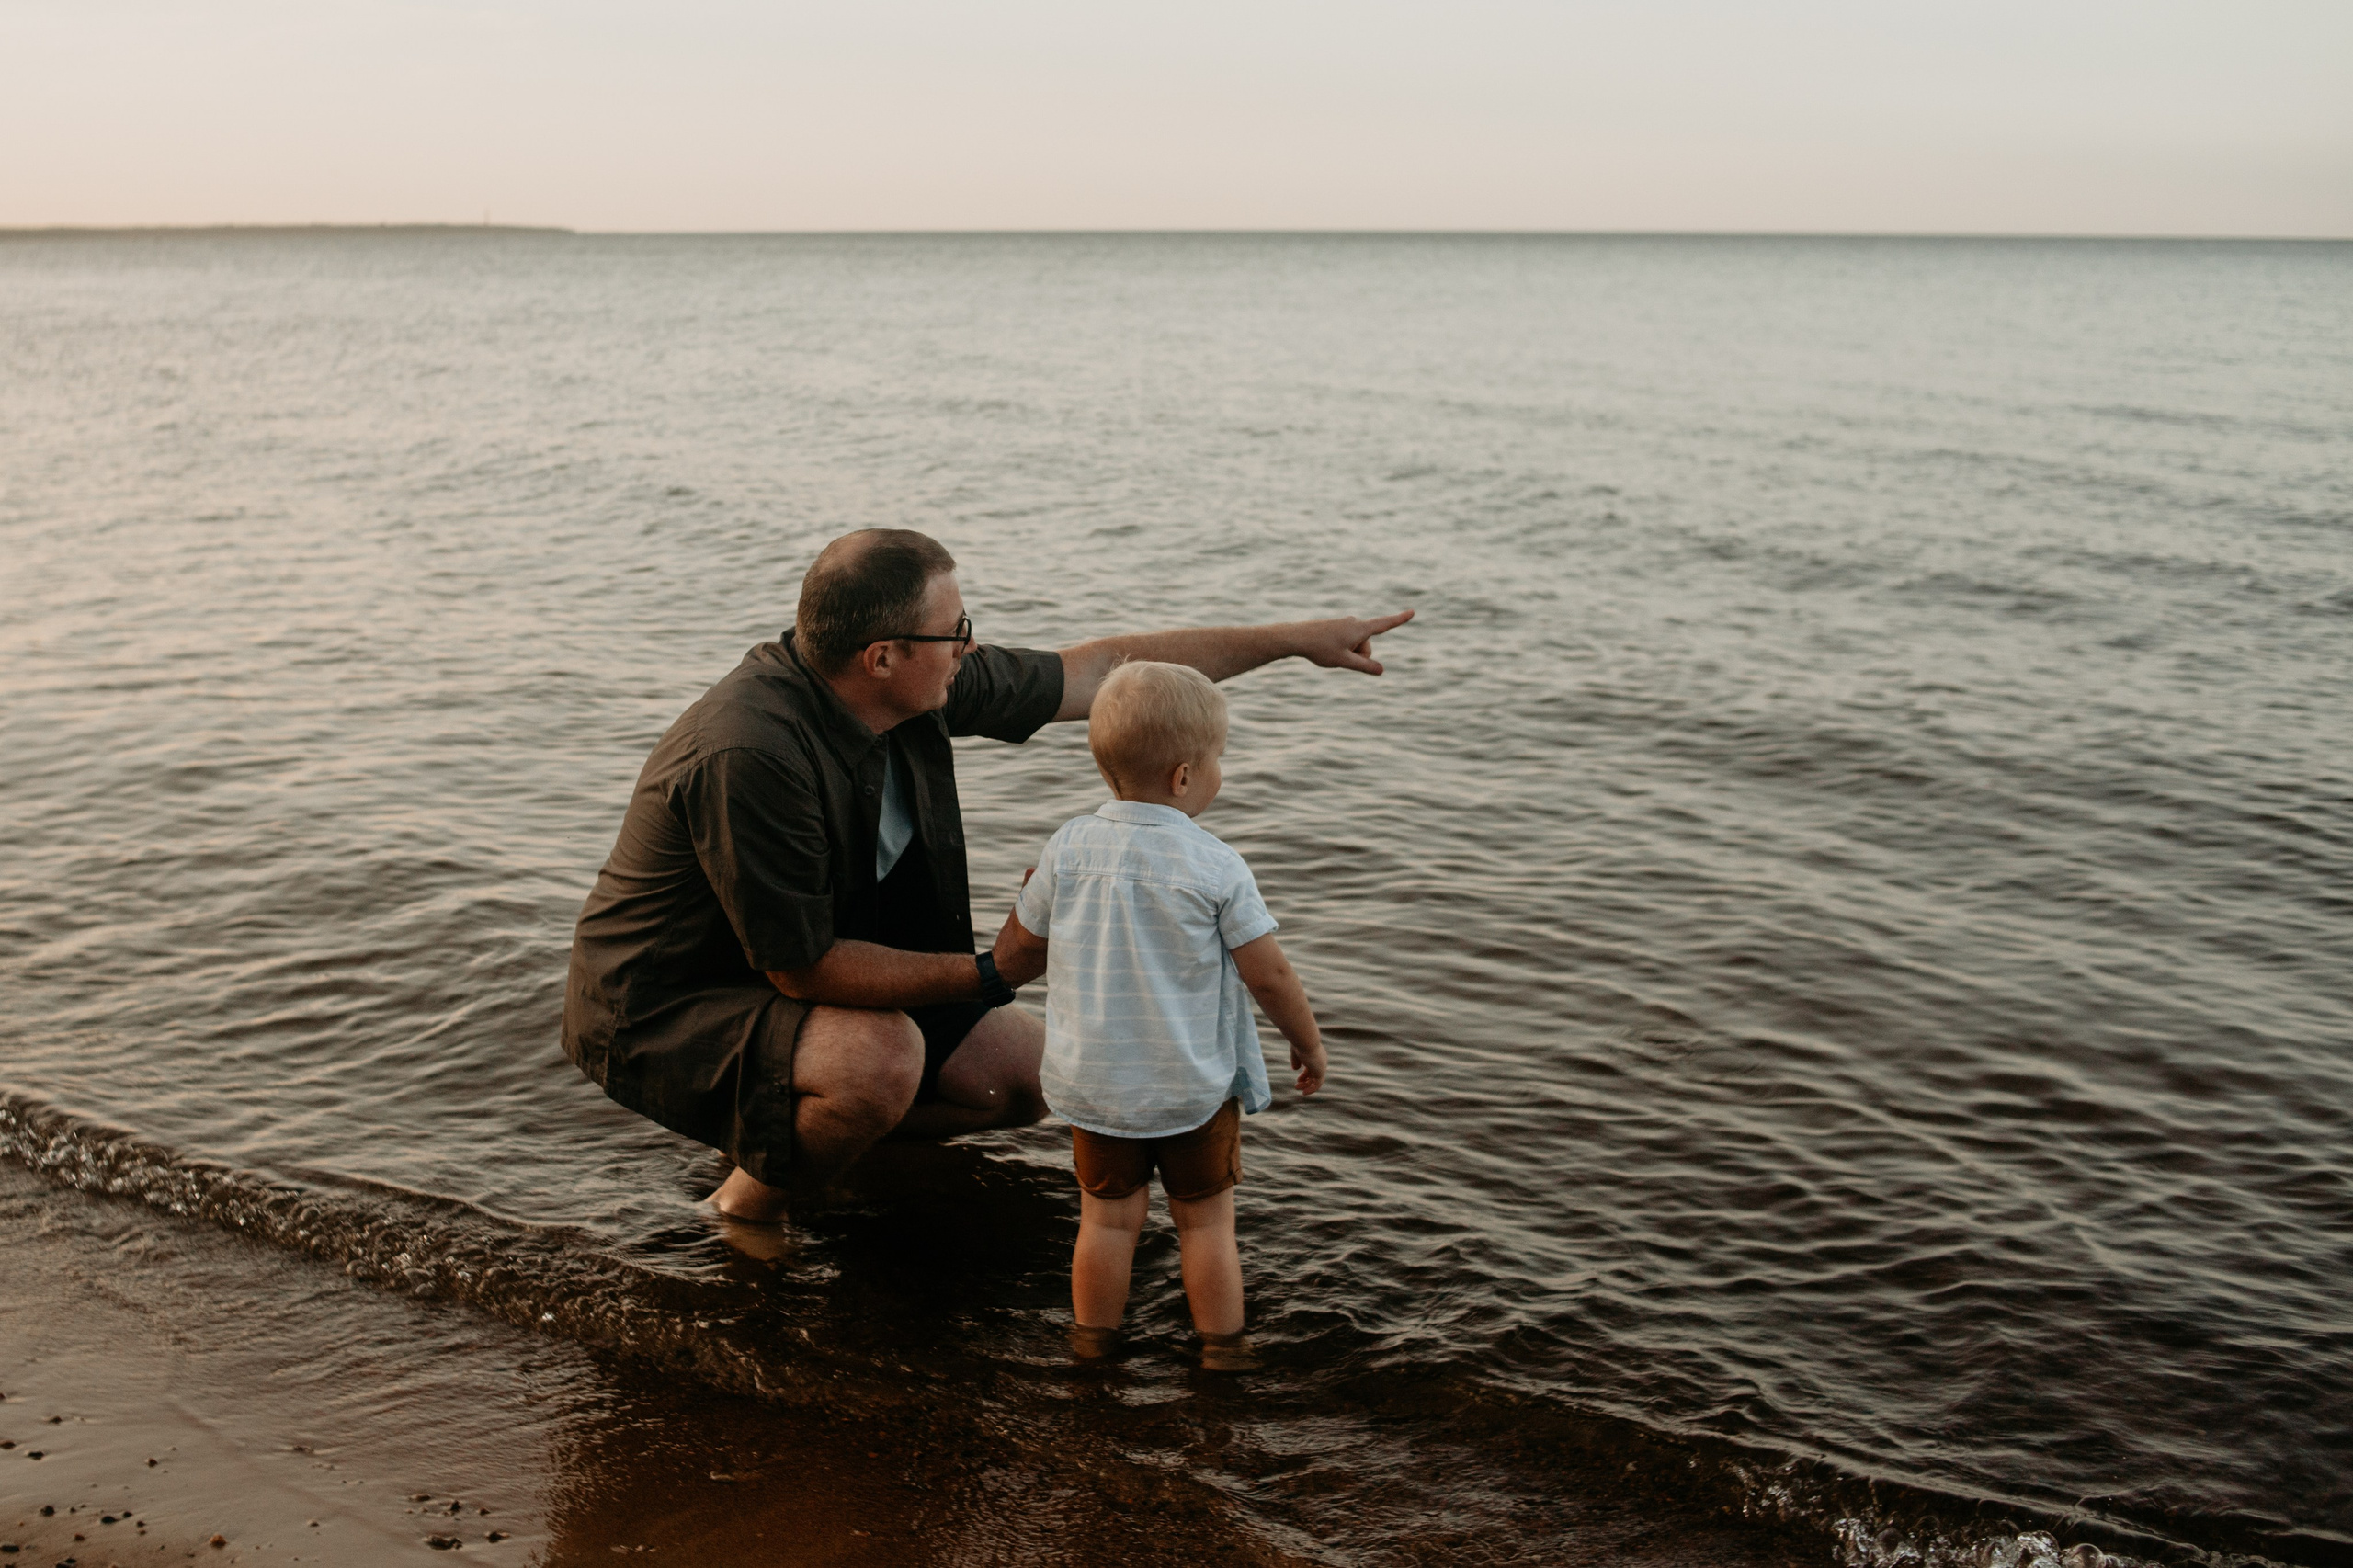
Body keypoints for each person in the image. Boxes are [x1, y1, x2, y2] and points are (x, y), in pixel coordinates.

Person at [560, 528, 1408, 1221]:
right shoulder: (752, 752)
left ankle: (801, 1132)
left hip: (780, 977)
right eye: (955, 629)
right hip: (666, 1002)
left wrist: (1293, 642)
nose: (970, 645)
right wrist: (995, 969)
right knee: (879, 1063)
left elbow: (1106, 672)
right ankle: (746, 1206)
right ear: (882, 655)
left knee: (1027, 1075)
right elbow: (802, 967)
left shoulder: (917, 683)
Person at [995, 662, 1324, 1361]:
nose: (1220, 773)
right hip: (1189, 1087)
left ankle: (1092, 1345)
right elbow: (1269, 975)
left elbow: (1023, 943)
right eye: (1218, 760)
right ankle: (1221, 1351)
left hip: (1097, 1086)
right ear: (1183, 777)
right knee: (1206, 1226)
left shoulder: (1067, 847)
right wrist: (1307, 1042)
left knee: (1106, 1224)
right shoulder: (1216, 865)